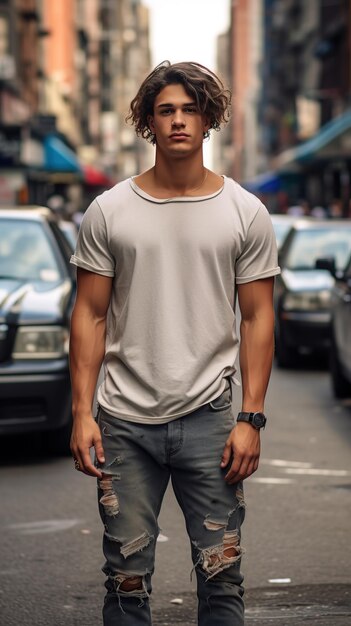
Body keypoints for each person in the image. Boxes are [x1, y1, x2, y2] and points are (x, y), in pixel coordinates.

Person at [69, 60, 280, 626]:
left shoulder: (245, 212)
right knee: (126, 580)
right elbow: (89, 313)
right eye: (166, 110)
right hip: (122, 420)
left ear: (209, 119)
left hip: (211, 419)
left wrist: (251, 418)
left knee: (221, 578)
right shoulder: (110, 209)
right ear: (148, 122)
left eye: (190, 109)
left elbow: (258, 318)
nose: (179, 121)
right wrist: (81, 413)